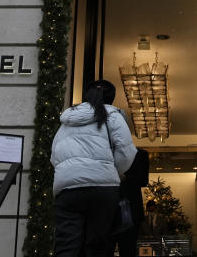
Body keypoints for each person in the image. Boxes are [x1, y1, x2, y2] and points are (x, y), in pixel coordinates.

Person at [52, 80, 137, 257]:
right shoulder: (113, 116)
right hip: (103, 189)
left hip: (68, 189)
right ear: (111, 99)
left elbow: (55, 155)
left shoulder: (67, 120)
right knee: (97, 245)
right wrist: (112, 170)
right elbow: (126, 152)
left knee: (66, 246)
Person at [114, 148, 149, 257]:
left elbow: (143, 180)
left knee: (128, 249)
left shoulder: (140, 154)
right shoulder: (105, 152)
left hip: (130, 210)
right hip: (109, 209)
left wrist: (125, 178)